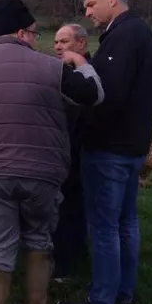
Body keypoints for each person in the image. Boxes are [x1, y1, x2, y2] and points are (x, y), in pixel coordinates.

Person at [0, 0, 104, 304]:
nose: (38, 39)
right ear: (21, 32)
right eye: (35, 32)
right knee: (39, 240)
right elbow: (93, 95)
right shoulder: (51, 68)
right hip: (44, 172)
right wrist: (80, 61)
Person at [58, 0, 152, 304]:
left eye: (91, 5)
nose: (87, 12)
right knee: (125, 224)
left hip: (110, 149)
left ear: (113, 0)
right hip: (133, 146)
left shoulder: (123, 37)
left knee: (104, 228)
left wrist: (75, 70)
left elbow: (106, 97)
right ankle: (123, 296)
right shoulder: (142, 34)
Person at [51, 23, 91, 283]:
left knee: (74, 207)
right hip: (63, 151)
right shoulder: (61, 72)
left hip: (83, 149)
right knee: (66, 207)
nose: (57, 47)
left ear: (81, 44)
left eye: (64, 42)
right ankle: (67, 259)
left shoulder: (89, 74)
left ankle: (68, 262)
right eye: (56, 42)